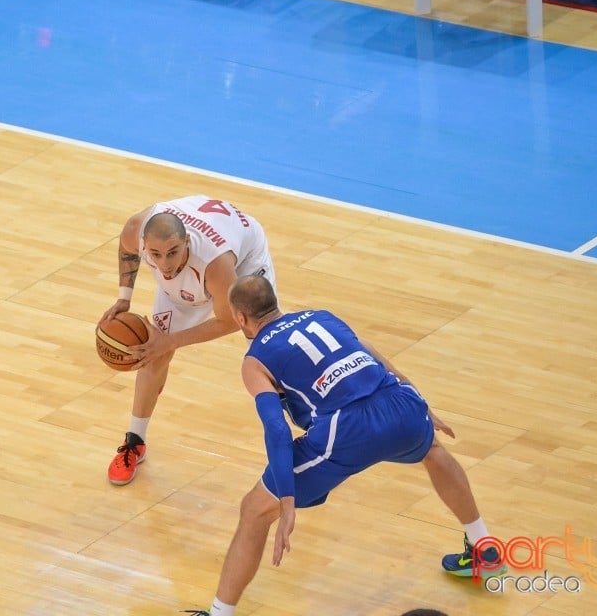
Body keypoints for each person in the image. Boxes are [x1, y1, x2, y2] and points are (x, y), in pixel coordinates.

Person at [182, 275, 504, 616]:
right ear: (274, 302)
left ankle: (219, 613)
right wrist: (419, 404)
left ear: (240, 318)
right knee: (433, 451)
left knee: (254, 510)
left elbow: (276, 429)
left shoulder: (255, 360)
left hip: (344, 429)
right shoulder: (322, 316)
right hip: (398, 403)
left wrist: (286, 500)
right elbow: (372, 356)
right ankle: (484, 548)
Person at [99, 195, 276, 485]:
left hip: (244, 261)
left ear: (187, 244)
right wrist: (123, 299)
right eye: (155, 254)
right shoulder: (135, 229)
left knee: (268, 353)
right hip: (205, 240)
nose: (164, 264)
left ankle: (306, 431)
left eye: (172, 252)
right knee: (151, 351)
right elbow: (126, 249)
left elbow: (230, 321)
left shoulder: (215, 263)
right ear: (144, 243)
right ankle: (135, 441)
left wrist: (171, 341)